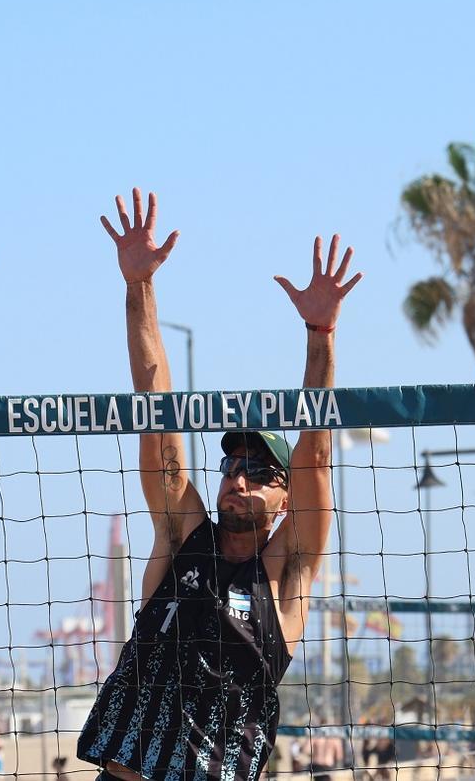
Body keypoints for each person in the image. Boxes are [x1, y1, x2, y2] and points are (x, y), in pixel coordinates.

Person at [76, 189, 362, 780]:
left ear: (286, 497)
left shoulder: (289, 571)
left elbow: (317, 454)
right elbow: (157, 409)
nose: (239, 478)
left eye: (260, 472)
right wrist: (140, 289)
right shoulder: (184, 535)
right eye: (233, 465)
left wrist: (321, 335)